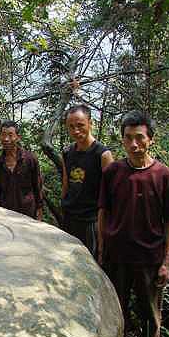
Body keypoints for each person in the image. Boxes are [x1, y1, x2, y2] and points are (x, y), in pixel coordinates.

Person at [98, 110, 169, 337]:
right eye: (128, 138)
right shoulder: (113, 172)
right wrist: (101, 251)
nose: (133, 144)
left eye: (139, 138)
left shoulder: (164, 176)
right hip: (117, 257)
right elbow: (103, 212)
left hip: (150, 259)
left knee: (150, 315)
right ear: (122, 140)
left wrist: (166, 262)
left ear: (150, 139)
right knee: (116, 312)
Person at [61, 105, 113, 256]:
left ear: (90, 123)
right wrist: (63, 206)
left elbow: (111, 194)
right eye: (71, 127)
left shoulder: (103, 155)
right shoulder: (67, 153)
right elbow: (66, 184)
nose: (76, 131)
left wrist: (104, 229)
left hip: (91, 221)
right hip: (70, 217)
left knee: (90, 262)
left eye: (80, 125)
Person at [0, 120, 43, 220]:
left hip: (27, 213)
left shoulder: (30, 159)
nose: (6, 139)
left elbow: (37, 186)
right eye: (3, 135)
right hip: (6, 213)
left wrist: (39, 209)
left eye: (10, 135)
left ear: (18, 137)